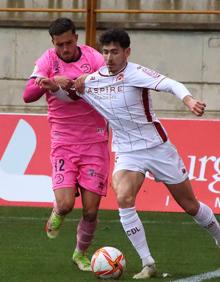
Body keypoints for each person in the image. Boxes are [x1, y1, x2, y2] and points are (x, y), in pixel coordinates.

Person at [39, 28, 220, 279]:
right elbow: (71, 97)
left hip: (157, 148)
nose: (109, 57)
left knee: (189, 205)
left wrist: (188, 100)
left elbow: (170, 84)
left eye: (115, 52)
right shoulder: (93, 80)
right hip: (126, 152)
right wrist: (53, 87)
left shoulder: (136, 73)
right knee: (123, 197)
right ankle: (148, 263)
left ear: (127, 52)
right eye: (105, 52)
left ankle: (218, 236)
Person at [22, 17, 109, 272]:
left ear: (77, 39)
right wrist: (49, 83)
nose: (65, 49)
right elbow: (27, 95)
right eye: (59, 45)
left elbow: (112, 83)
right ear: (53, 43)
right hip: (63, 142)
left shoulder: (93, 59)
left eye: (69, 43)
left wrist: (89, 80)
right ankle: (57, 212)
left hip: (95, 141)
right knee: (66, 204)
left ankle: (80, 254)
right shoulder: (47, 61)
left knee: (91, 211)